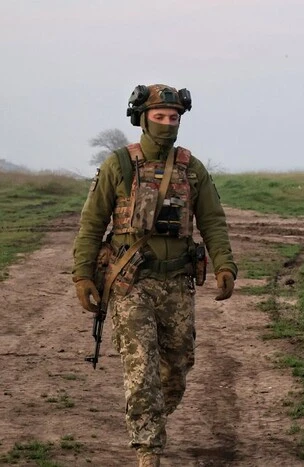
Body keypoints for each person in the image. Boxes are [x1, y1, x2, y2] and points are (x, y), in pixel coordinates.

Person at [72, 84, 237, 467]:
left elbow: (212, 220)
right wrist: (82, 275)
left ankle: (151, 420)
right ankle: (148, 449)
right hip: (132, 281)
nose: (167, 124)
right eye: (159, 117)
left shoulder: (192, 168)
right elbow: (91, 223)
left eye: (173, 117)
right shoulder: (119, 165)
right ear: (142, 119)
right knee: (141, 366)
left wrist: (224, 264)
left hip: (178, 283)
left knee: (177, 367)